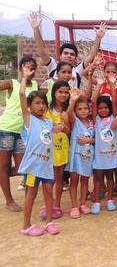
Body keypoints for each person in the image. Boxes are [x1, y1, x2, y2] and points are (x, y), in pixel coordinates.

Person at [18, 64, 59, 236]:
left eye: (43, 103)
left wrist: (61, 127)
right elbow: (21, 94)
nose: (41, 106)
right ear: (29, 106)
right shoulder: (29, 119)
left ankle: (49, 221)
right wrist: (25, 78)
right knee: (31, 194)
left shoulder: (48, 122)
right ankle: (26, 226)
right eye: (37, 103)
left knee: (48, 193)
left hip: (47, 165)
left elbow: (59, 127)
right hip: (34, 166)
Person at [0, 55, 39, 211]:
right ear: (20, 68)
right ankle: (9, 200)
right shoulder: (12, 83)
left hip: (24, 133)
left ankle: (28, 198)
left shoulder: (36, 85)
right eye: (27, 67)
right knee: (4, 165)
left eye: (32, 68)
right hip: (6, 130)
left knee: (23, 167)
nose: (30, 70)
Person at [29, 12, 107, 88]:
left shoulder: (77, 69)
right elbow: (42, 50)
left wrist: (98, 37)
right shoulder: (53, 66)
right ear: (60, 55)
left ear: (76, 58)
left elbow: (91, 56)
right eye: (66, 53)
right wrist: (36, 29)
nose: (69, 56)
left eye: (72, 54)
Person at [39, 80, 70, 219]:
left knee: (59, 177)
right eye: (60, 92)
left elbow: (70, 132)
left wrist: (64, 125)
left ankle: (57, 204)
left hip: (62, 148)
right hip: (48, 148)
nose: (63, 95)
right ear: (54, 93)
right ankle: (47, 203)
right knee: (48, 178)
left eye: (66, 92)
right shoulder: (46, 109)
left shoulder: (67, 110)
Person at [91, 75, 117, 214]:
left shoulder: (114, 118)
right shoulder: (95, 119)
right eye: (101, 108)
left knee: (110, 177)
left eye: (105, 108)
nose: (103, 110)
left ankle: (110, 199)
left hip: (112, 155)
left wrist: (113, 85)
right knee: (98, 178)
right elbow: (94, 101)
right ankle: (96, 201)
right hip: (99, 156)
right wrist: (99, 85)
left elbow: (114, 102)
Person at [66, 88, 95, 218]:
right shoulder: (75, 122)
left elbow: (97, 140)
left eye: (85, 108)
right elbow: (68, 113)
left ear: (89, 110)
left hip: (87, 158)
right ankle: (73, 205)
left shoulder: (92, 123)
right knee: (74, 180)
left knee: (85, 181)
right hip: (75, 157)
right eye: (80, 109)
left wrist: (89, 140)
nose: (83, 111)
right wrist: (73, 100)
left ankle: (82, 203)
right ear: (76, 112)